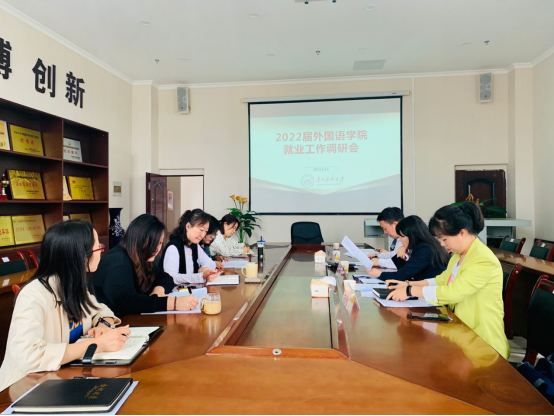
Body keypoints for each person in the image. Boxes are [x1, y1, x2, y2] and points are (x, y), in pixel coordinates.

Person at [0, 221, 130, 392]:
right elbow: (29, 356)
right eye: (98, 247)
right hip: (24, 389)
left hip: (61, 381)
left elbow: (99, 309)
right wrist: (96, 345)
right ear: (82, 256)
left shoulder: (73, 285)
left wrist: (103, 325)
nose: (101, 251)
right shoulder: (34, 295)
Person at [386, 202, 510, 359]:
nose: (442, 244)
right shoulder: (458, 256)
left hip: (481, 343)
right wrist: (407, 284)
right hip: (459, 332)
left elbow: (453, 293)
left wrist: (410, 291)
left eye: (444, 238)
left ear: (462, 233)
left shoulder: (482, 259)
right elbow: (441, 280)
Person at [93, 214, 199, 318]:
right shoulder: (118, 261)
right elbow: (128, 303)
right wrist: (174, 303)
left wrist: (158, 291)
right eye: (153, 243)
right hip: (111, 323)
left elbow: (165, 278)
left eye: (160, 243)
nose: (157, 249)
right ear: (139, 239)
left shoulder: (142, 257)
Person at [366, 216, 449, 282]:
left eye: (402, 237)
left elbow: (401, 276)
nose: (400, 240)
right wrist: (403, 255)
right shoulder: (421, 246)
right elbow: (403, 271)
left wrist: (380, 274)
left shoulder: (424, 249)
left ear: (412, 236)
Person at [160, 209, 221, 284]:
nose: (203, 235)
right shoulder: (173, 247)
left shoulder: (194, 245)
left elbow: (210, 263)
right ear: (188, 226)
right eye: (201, 230)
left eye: (206, 231)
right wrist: (200, 276)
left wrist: (204, 269)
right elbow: (171, 277)